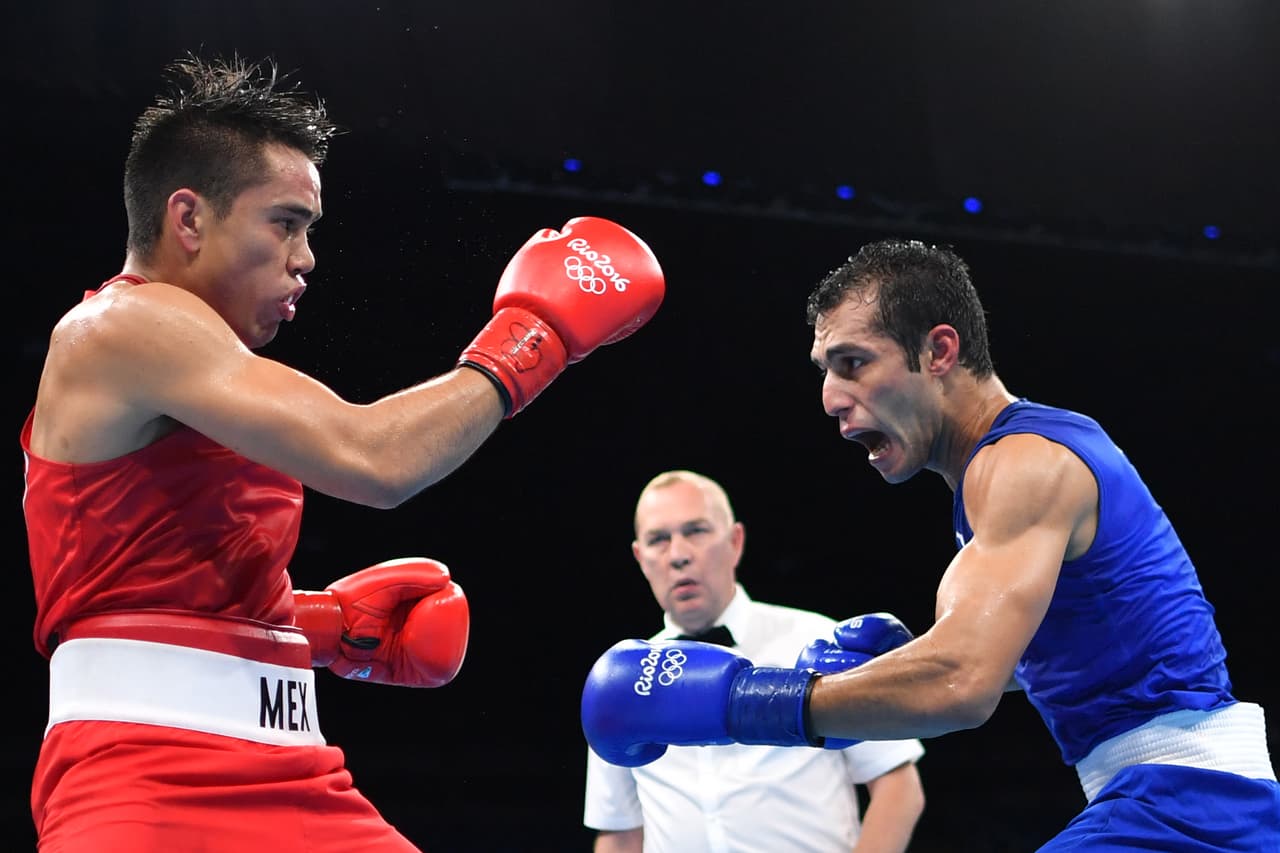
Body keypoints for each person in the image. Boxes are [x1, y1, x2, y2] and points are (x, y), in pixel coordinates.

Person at [21, 53, 665, 852]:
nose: (305, 257)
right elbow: (372, 458)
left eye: (308, 230)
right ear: (188, 219)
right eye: (284, 223)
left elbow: (146, 570)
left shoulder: (208, 369)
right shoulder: (117, 329)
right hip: (141, 776)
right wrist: (536, 337)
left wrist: (319, 626)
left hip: (292, 770)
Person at [582, 239, 1280, 850]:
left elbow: (963, 683)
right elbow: (1020, 661)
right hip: (1168, 799)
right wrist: (901, 662)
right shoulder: (998, 480)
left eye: (854, 362)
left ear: (939, 350)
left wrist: (743, 701)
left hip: (1193, 801)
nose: (830, 396)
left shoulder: (1021, 465)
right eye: (825, 368)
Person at [583, 470, 925, 853]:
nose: (678, 555)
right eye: (659, 539)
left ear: (735, 541)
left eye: (696, 531)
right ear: (640, 558)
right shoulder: (623, 680)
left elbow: (897, 783)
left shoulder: (815, 640)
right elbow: (620, 834)